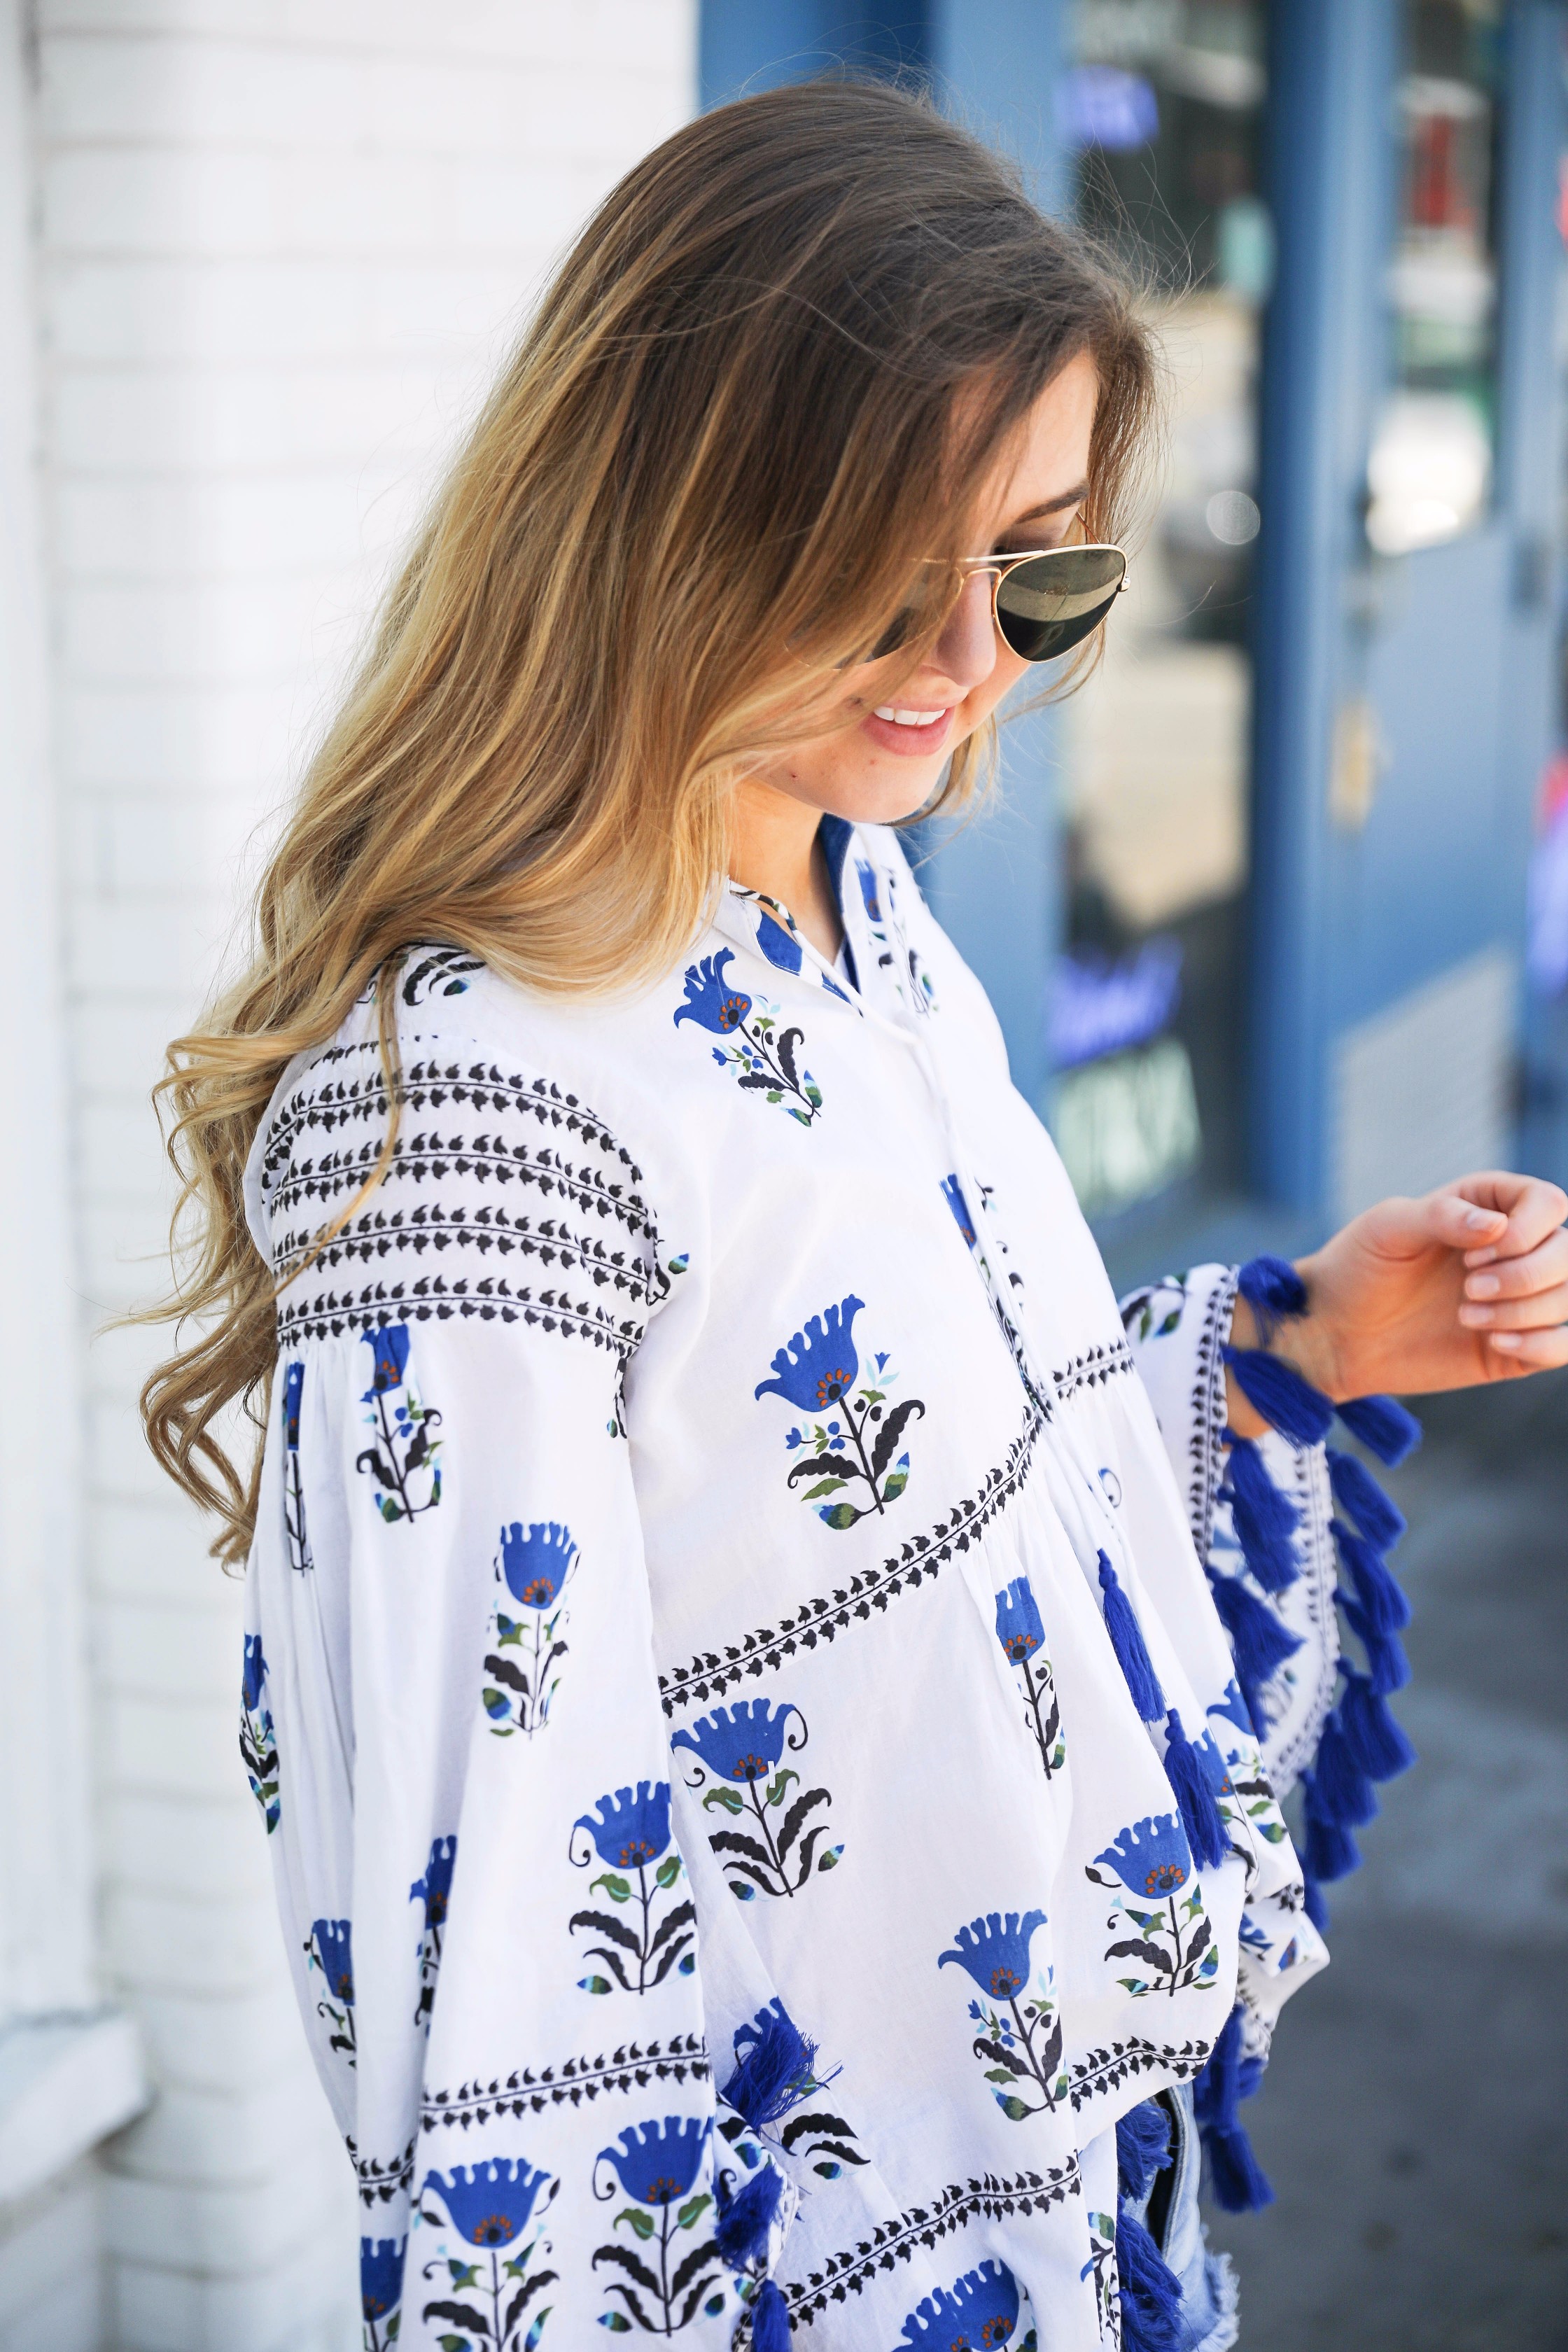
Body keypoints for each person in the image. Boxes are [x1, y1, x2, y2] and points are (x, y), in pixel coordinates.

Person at [141, 80, 1567, 2352]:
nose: (972, 658)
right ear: (669, 520)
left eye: (1047, 567)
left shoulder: (864, 906)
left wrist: (1289, 1344)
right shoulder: (471, 1126)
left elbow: (907, 1509)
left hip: (1092, 2242)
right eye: (884, 579)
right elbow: (500, 1997)